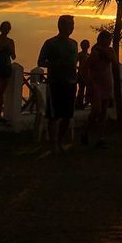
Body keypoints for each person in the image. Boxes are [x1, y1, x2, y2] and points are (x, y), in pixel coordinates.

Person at [37, 14, 78, 152]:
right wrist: (55, 64)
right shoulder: (50, 43)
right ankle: (54, 143)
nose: (71, 28)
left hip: (71, 82)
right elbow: (41, 61)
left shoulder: (74, 44)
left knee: (67, 115)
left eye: (72, 25)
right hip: (55, 82)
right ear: (61, 26)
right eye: (69, 25)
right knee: (53, 115)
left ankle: (60, 140)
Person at [83, 30, 118, 149]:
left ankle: (100, 138)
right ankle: (86, 131)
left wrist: (106, 52)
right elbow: (85, 67)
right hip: (96, 84)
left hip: (106, 83)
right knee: (96, 110)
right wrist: (88, 82)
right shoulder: (94, 53)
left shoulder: (110, 51)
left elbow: (115, 63)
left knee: (103, 112)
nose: (109, 42)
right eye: (107, 40)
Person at [76, 39, 91, 109]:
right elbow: (74, 64)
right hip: (81, 74)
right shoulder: (79, 55)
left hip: (88, 75)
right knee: (81, 90)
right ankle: (79, 104)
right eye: (83, 45)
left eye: (86, 45)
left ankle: (86, 102)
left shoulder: (89, 55)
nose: (85, 46)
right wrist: (79, 68)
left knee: (88, 90)